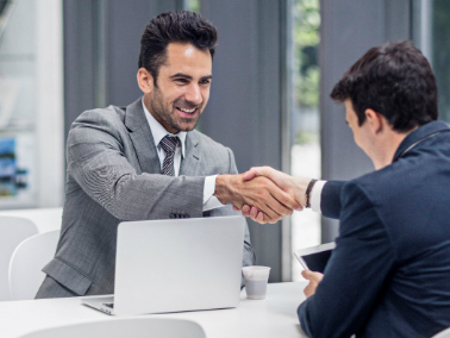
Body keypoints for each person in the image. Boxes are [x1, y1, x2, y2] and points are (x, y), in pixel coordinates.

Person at [36, 11, 300, 299]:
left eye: (204, 82)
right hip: (80, 306)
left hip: (171, 308)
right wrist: (222, 188)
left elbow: (240, 261)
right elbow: (124, 194)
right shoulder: (95, 129)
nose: (196, 96)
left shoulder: (217, 157)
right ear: (146, 80)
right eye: (181, 80)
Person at [242, 40, 450, 337]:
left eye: (352, 125)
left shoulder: (378, 196)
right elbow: (415, 199)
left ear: (373, 121)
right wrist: (307, 190)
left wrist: (320, 295)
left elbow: (325, 324)